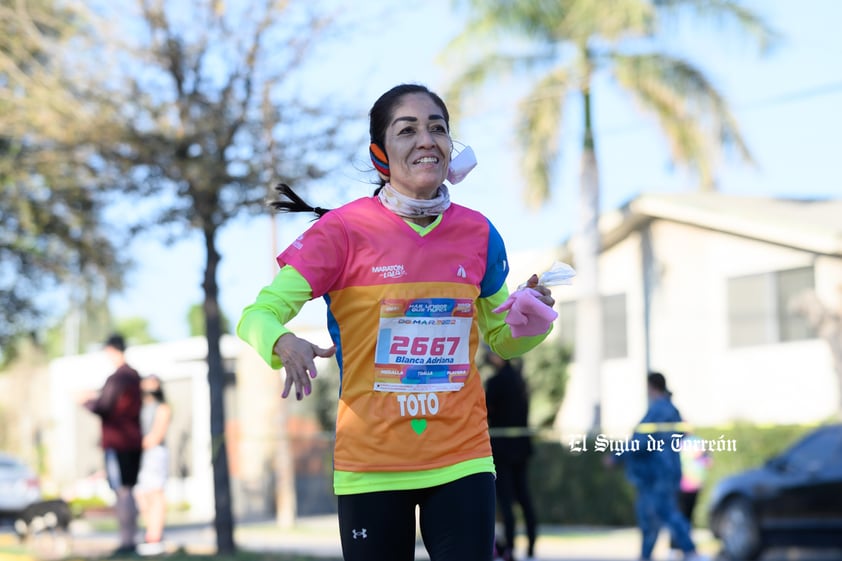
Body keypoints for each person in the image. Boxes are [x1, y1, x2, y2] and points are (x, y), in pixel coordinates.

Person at [237, 83, 556, 561]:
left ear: (452, 149)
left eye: (438, 128)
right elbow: (256, 315)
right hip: (370, 464)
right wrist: (282, 342)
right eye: (407, 130)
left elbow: (499, 340)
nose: (426, 139)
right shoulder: (341, 232)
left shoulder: (480, 234)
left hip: (462, 459)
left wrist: (533, 320)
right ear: (380, 153)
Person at [609, 372, 707, 561]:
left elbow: (640, 441)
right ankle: (675, 552)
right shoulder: (673, 410)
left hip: (654, 474)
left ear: (651, 387)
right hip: (668, 471)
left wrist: (616, 457)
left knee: (658, 514)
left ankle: (689, 551)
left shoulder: (657, 411)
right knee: (660, 514)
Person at [81, 334, 143, 555]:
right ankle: (132, 539)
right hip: (134, 440)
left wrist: (87, 401)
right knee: (129, 489)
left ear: (113, 350)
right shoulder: (135, 376)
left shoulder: (119, 377)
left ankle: (127, 541)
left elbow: (104, 405)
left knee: (122, 491)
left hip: (118, 442)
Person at [484, 350, 537, 561]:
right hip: (521, 448)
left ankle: (510, 548)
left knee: (506, 500)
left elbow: (487, 412)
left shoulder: (496, 382)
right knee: (524, 498)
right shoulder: (520, 381)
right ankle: (531, 545)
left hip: (502, 449)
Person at [135, 375, 172, 556]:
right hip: (139, 454)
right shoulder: (139, 408)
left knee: (155, 493)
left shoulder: (162, 408)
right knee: (142, 495)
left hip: (154, 454)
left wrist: (134, 444)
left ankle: (155, 536)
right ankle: (150, 532)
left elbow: (155, 436)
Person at [669, 434, 712, 557]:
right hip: (681, 487)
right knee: (678, 519)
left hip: (694, 487)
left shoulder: (697, 442)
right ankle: (674, 549)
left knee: (687, 519)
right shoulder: (677, 443)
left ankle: (685, 550)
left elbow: (708, 462)